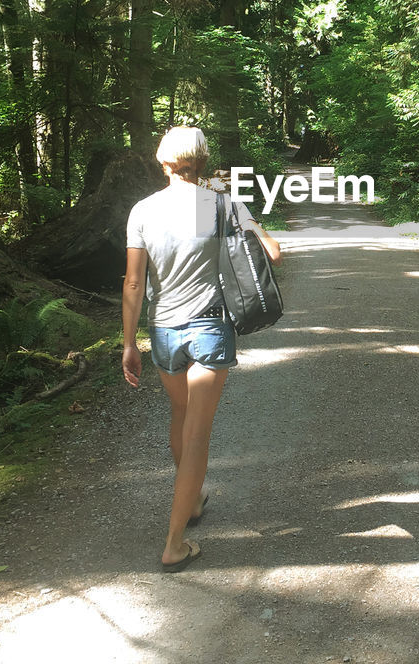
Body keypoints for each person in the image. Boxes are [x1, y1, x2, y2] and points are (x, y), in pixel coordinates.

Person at [121, 127, 281, 571]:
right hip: (209, 328)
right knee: (197, 435)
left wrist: (129, 342)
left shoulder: (143, 210)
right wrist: (247, 215)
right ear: (204, 162)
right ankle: (174, 543)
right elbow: (273, 253)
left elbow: (134, 281)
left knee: (180, 415)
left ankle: (191, 507)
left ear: (163, 161)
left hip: (164, 331)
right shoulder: (218, 204)